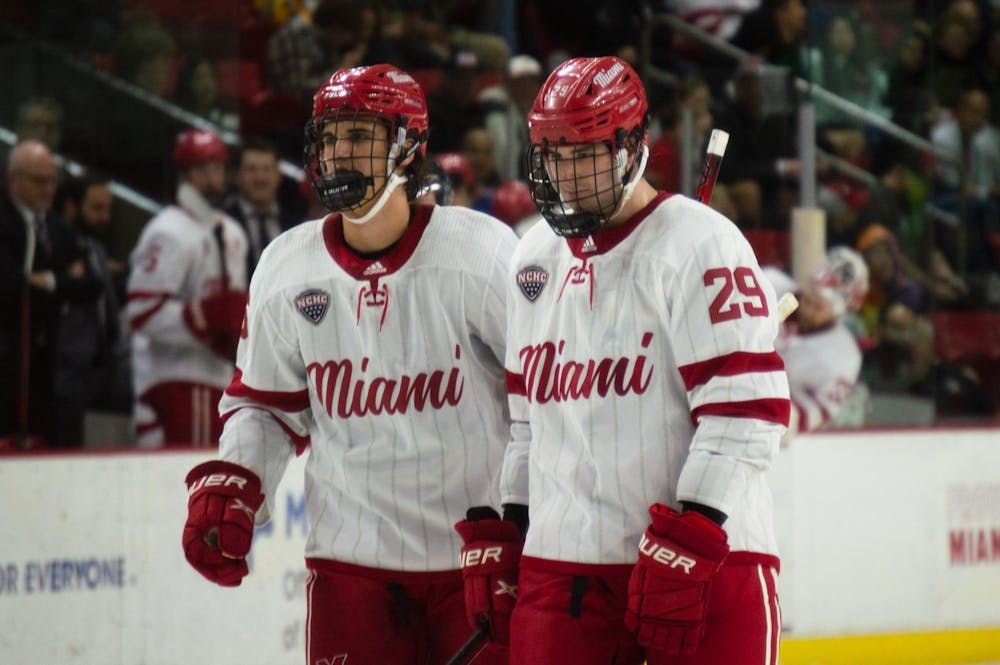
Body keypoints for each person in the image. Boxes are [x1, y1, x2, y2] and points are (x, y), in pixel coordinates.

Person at [180, 64, 517, 665]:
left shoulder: (482, 253)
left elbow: (539, 401)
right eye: (331, 138)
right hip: (349, 566)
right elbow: (265, 404)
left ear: (408, 147)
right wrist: (237, 481)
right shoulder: (287, 264)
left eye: (360, 137)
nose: (340, 154)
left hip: (472, 562)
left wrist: (520, 523)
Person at [462, 56, 789, 664]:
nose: (565, 174)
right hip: (565, 569)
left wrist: (692, 533)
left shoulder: (702, 243)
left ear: (634, 144)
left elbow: (746, 415)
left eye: (583, 153)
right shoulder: (533, 254)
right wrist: (515, 524)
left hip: (709, 561)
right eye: (552, 155)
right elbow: (528, 426)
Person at [126, 129, 249, 447]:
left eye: (218, 167)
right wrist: (202, 316)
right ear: (184, 174)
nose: (212, 177)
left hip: (222, 380)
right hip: (173, 380)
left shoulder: (233, 233)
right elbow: (141, 312)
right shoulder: (167, 231)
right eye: (202, 168)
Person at [0, 140, 98, 449]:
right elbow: (11, 287)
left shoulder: (58, 228)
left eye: (53, 180)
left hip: (48, 358)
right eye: (39, 181)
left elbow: (90, 285)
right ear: (13, 179)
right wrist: (60, 282)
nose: (49, 189)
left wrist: (49, 282)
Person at [52, 171, 133, 447]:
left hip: (103, 362)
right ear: (72, 206)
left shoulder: (96, 250)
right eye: (96, 208)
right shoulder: (56, 245)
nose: (104, 218)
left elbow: (106, 302)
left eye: (108, 209)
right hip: (67, 366)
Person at [766, 246, 869, 441]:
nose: (808, 310)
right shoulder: (770, 284)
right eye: (808, 299)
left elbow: (818, 411)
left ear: (840, 312)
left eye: (819, 307)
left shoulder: (845, 356)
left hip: (767, 424)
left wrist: (782, 415)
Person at [224, 137, 302, 276]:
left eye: (267, 169)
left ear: (279, 175)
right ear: (237, 176)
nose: (260, 178)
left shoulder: (296, 225)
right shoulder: (224, 223)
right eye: (251, 169)